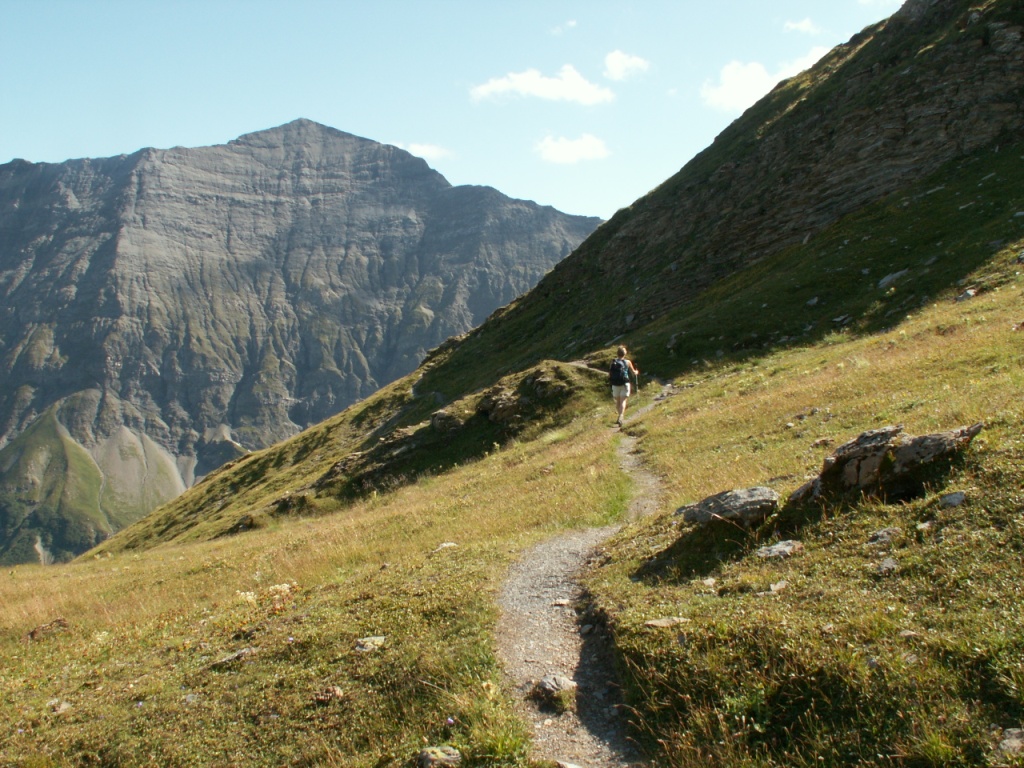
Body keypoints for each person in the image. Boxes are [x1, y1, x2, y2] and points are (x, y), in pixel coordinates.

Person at [609, 346, 639, 427]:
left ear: (617, 353)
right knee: (623, 401)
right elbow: (633, 373)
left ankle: (619, 417)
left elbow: (610, 373)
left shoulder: (613, 362)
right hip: (625, 383)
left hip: (615, 384)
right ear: (625, 354)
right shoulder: (627, 362)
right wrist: (636, 372)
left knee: (618, 401)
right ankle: (621, 416)